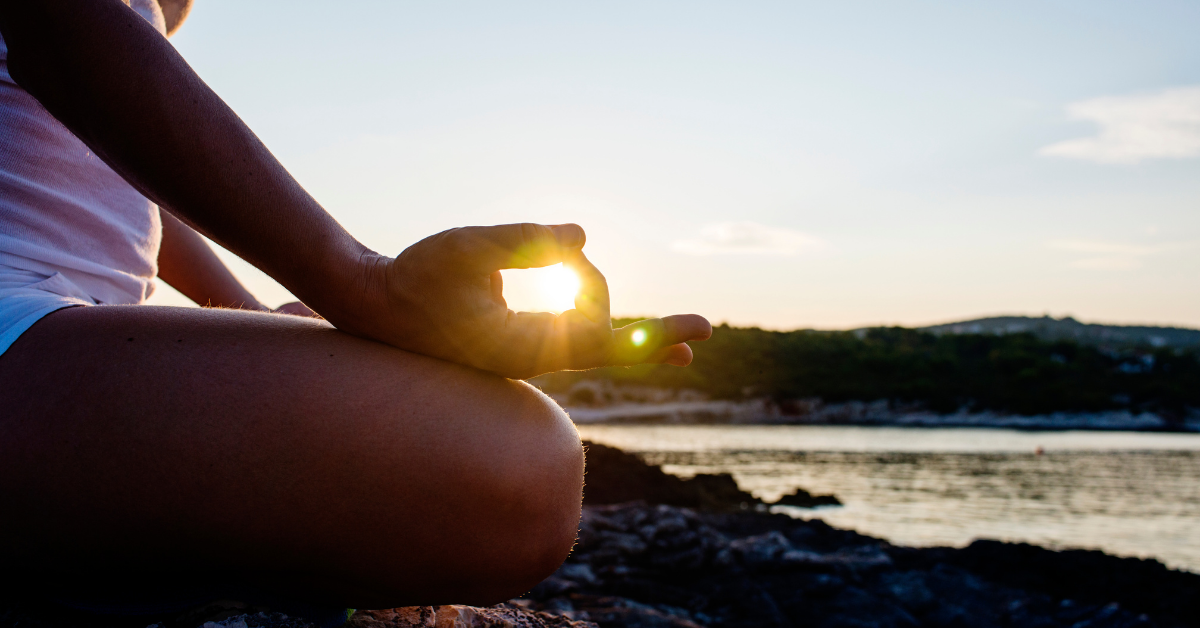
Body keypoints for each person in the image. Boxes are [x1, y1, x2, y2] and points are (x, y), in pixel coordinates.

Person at [0, 0, 712, 619]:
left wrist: (251, 312)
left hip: (66, 318)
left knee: (513, 462)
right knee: (517, 470)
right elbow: (61, 35)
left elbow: (118, 157)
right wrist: (363, 282)